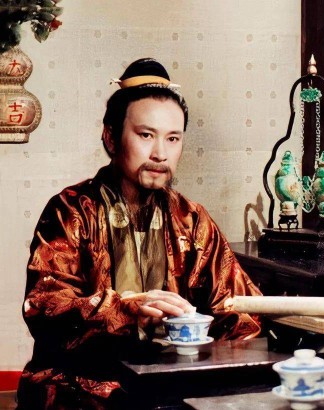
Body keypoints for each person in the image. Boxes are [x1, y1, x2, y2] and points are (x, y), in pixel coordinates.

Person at [17, 58, 262, 408]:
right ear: (111, 137)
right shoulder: (71, 211)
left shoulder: (192, 220)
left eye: (173, 138)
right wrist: (128, 310)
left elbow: (239, 307)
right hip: (82, 383)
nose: (160, 154)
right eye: (146, 135)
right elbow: (44, 306)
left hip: (172, 383)